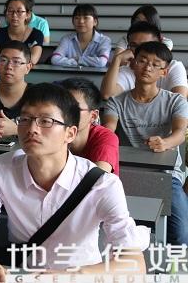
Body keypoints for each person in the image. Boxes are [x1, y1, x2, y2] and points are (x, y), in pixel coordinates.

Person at [0, 83, 148, 280]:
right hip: (23, 275)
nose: (32, 129)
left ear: (70, 133)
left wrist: (75, 274)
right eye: (25, 119)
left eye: (46, 121)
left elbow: (134, 263)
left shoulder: (102, 184)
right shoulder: (0, 169)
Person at [103, 41, 188, 245]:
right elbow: (108, 130)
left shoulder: (175, 101)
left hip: (166, 175)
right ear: (133, 64)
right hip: (126, 174)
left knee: (181, 233)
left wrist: (165, 142)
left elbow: (180, 133)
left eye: (155, 64)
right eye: (142, 61)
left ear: (164, 72)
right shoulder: (116, 102)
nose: (147, 67)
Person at [100, 21, 188, 100]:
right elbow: (107, 95)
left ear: (158, 43)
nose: (139, 50)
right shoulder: (127, 70)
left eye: (146, 45)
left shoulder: (174, 67)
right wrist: (117, 59)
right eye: (133, 45)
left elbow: (180, 101)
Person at [60, 77, 119, 174]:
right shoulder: (52, 132)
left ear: (93, 116)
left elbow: (98, 178)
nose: (65, 113)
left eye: (75, 109)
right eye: (61, 107)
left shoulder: (105, 137)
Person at [0, 0, 44, 64]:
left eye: (19, 11)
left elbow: (33, 59)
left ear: (28, 14)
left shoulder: (36, 34)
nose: (14, 15)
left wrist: (3, 58)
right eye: (10, 11)